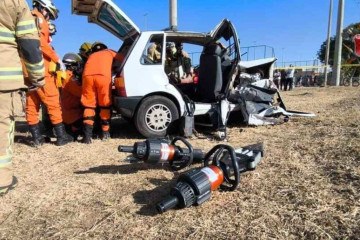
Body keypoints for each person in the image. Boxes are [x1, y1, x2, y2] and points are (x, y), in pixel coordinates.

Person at [0, 0, 45, 196]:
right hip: (3, 77)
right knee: (1, 129)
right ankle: (1, 181)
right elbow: (29, 45)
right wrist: (38, 77)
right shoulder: (15, 2)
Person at [26, 0, 73, 146]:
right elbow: (40, 43)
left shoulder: (27, 18)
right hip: (41, 69)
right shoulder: (38, 19)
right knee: (52, 101)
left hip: (27, 70)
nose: (48, 18)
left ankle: (37, 138)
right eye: (49, 14)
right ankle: (61, 136)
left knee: (31, 103)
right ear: (42, 7)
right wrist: (57, 59)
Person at [81, 42, 124, 143]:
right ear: (105, 47)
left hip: (87, 77)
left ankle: (87, 137)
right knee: (104, 104)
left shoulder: (91, 56)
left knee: (89, 105)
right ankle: (105, 133)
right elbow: (125, 59)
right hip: (103, 77)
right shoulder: (109, 51)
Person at [60, 53, 84, 139]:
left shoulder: (66, 75)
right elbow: (80, 93)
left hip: (69, 110)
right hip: (72, 114)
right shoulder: (69, 78)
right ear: (72, 65)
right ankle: (75, 131)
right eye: (78, 65)